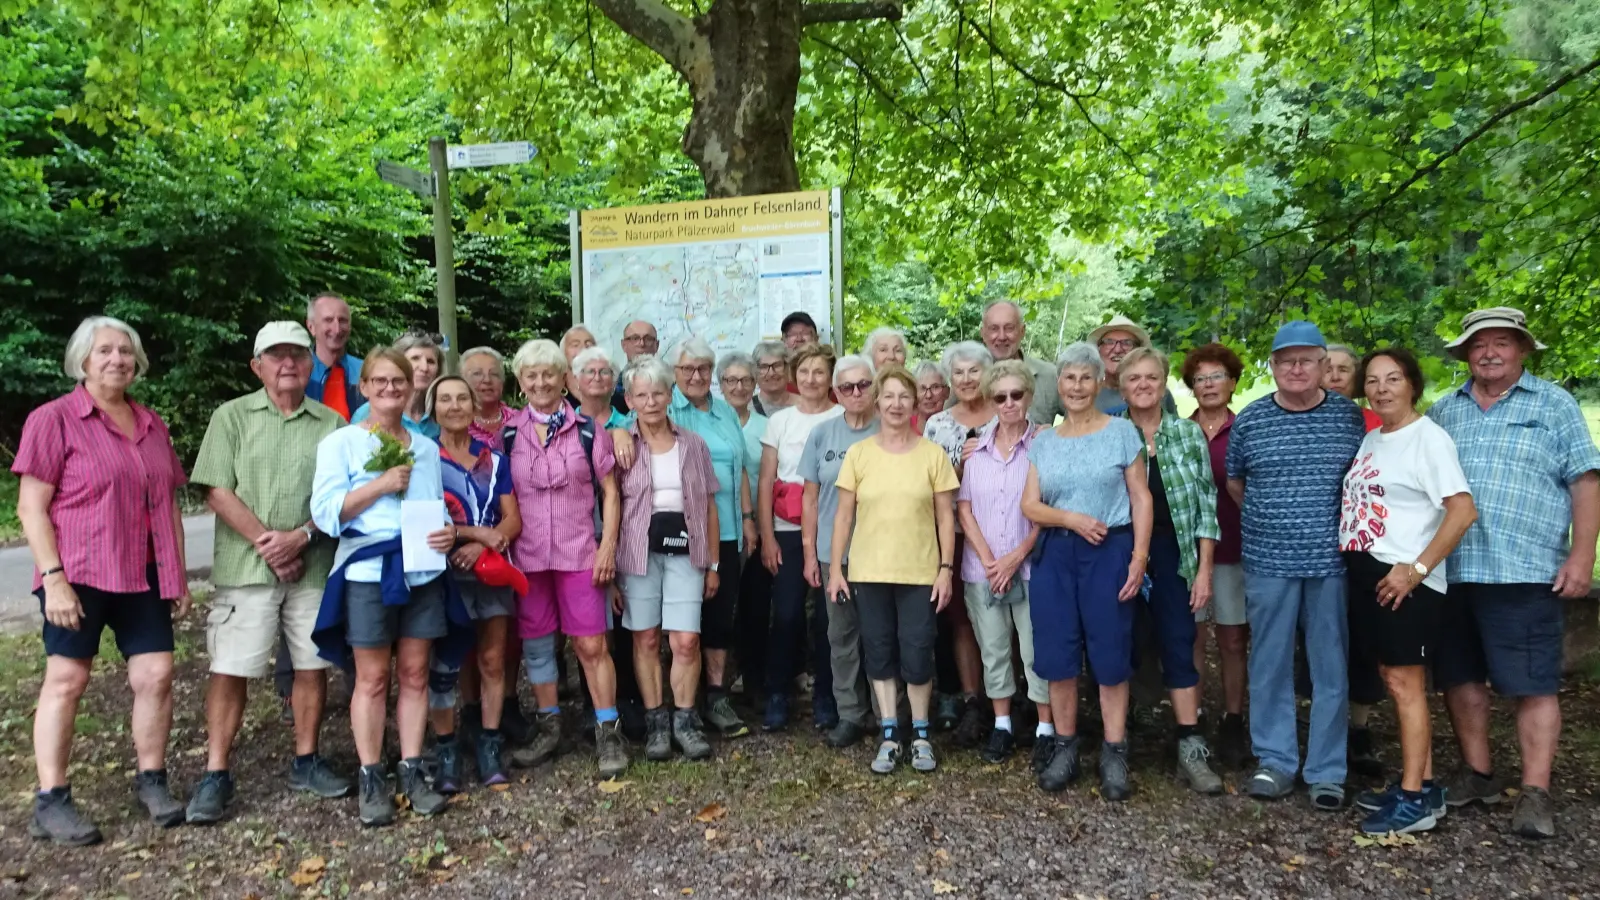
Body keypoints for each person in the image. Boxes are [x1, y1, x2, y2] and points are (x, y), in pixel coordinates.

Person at [16, 316, 192, 845]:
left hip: (143, 574)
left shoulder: (151, 423)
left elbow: (169, 506)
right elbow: (31, 507)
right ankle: (51, 799)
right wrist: (54, 580)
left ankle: (152, 781)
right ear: (83, 361)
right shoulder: (54, 420)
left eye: (126, 351)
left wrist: (176, 577)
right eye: (105, 351)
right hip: (81, 572)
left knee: (156, 675)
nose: (117, 359)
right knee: (66, 681)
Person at [1428, 306, 1600, 839]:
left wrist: (1582, 556)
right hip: (1453, 569)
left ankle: (1535, 792)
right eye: (1479, 345)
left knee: (1533, 683)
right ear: (1465, 355)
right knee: (1460, 678)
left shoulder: (1554, 404)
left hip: (1524, 568)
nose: (1489, 352)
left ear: (1522, 349)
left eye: (1501, 342)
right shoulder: (1443, 411)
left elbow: (1586, 482)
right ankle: (1478, 773)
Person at [184, 322, 347, 826]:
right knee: (232, 666)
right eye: (276, 356)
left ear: (309, 363)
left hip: (313, 561)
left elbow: (342, 493)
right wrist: (267, 543)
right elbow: (214, 487)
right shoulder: (230, 416)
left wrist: (299, 537)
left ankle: (306, 758)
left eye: (298, 355)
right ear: (257, 366)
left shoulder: (331, 423)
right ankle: (216, 772)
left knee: (311, 664)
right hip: (246, 565)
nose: (288, 364)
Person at [308, 347, 460, 827]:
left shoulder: (425, 447)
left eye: (399, 381)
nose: (391, 389)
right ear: (365, 387)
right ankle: (372, 775)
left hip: (421, 567)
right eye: (381, 382)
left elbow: (433, 505)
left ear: (410, 386)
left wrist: (449, 530)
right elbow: (326, 514)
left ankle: (412, 769)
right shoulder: (342, 443)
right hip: (368, 570)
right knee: (372, 678)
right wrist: (379, 484)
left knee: (416, 673)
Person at [1225, 321, 1365, 810]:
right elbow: (1237, 483)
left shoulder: (1348, 417)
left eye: (1307, 360)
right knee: (1269, 663)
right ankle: (1276, 760)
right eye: (1286, 361)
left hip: (1331, 564)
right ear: (1273, 366)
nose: (1297, 368)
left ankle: (1327, 769)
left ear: (1325, 366)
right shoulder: (1252, 419)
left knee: (1330, 667)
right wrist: (1276, 523)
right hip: (1267, 561)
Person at [1340, 348, 1477, 835]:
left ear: (1412, 384)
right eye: (1373, 380)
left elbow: (1462, 511)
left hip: (1407, 582)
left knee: (1405, 686)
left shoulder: (1429, 439)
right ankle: (1424, 782)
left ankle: (1414, 798)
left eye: (1392, 378)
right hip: (1370, 574)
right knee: (1394, 680)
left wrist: (1416, 569)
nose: (1381, 388)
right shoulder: (1374, 438)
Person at [1022, 342, 1151, 800]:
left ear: (1100, 383)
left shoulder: (1120, 433)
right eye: (1069, 378)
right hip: (1057, 554)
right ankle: (1065, 747)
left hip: (1109, 552)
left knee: (1110, 652)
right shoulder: (1044, 441)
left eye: (1085, 378)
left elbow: (1141, 498)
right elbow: (1030, 505)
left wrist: (1138, 558)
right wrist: (1070, 518)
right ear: (1058, 386)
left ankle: (1115, 752)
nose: (1076, 387)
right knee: (1057, 654)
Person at [501, 339, 629, 778]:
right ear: (520, 383)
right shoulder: (510, 434)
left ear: (564, 380)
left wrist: (608, 546)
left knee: (591, 644)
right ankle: (549, 725)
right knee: (538, 646)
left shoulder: (589, 430)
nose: (540, 382)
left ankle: (608, 730)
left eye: (549, 374)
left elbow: (611, 493)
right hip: (529, 555)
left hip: (580, 553)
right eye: (531, 375)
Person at [827, 365, 960, 774]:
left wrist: (945, 569)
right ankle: (889, 733)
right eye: (888, 396)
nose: (896, 404)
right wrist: (836, 569)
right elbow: (844, 516)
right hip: (869, 572)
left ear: (914, 403)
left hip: (920, 574)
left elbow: (945, 518)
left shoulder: (932, 454)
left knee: (918, 654)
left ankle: (920, 734)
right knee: (880, 653)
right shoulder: (860, 454)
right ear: (876, 402)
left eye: (905, 396)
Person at [1118, 347, 1224, 795]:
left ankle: (1189, 742)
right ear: (1121, 387)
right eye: (1134, 378)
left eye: (1151, 378)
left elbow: (1206, 507)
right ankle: (1116, 741)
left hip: (1174, 550)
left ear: (1164, 384)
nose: (1143, 385)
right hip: (1120, 551)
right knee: (1122, 640)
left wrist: (1203, 571)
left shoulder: (1187, 435)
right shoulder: (1111, 434)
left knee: (1179, 641)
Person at [614, 356, 721, 761]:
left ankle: (686, 720)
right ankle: (656, 721)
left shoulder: (693, 444)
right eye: (642, 394)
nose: (652, 401)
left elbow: (709, 504)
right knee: (643, 637)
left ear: (670, 395)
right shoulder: (620, 441)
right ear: (630, 399)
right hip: (638, 554)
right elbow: (608, 504)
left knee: (686, 640)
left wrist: (713, 562)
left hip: (687, 551)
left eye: (658, 392)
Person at [424, 376, 524, 791]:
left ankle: (488, 741)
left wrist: (491, 539)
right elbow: (421, 518)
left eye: (461, 398)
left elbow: (512, 518)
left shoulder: (493, 458)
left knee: (492, 657)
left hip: (491, 571)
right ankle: (447, 748)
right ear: (433, 408)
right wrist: (473, 535)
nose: (454, 406)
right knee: (445, 663)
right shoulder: (422, 458)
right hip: (442, 571)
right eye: (444, 399)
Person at [955, 360, 1051, 769]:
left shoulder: (1046, 446)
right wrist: (992, 561)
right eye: (1001, 396)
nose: (1009, 403)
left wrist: (1015, 557)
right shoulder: (975, 450)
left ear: (1028, 397)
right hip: (983, 571)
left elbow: (1049, 509)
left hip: (1031, 567)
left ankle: (1046, 729)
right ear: (990, 401)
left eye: (1017, 395)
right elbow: (964, 509)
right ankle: (1002, 724)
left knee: (1035, 651)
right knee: (993, 651)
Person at [757, 343, 843, 731]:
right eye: (804, 372)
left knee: (830, 617)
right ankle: (778, 691)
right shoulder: (781, 420)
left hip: (833, 527)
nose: (811, 379)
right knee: (787, 614)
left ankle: (827, 694)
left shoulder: (845, 415)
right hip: (787, 528)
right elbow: (765, 479)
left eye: (819, 372)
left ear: (831, 377)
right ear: (795, 375)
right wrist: (767, 535)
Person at [800, 355, 881, 749]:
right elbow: (811, 499)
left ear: (875, 386)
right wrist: (810, 555)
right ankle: (850, 713)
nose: (855, 393)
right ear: (836, 391)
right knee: (841, 636)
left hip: (884, 553)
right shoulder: (822, 435)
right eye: (846, 387)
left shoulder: (891, 429)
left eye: (863, 385)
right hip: (836, 555)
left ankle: (888, 715)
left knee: (883, 636)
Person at [920, 341, 995, 743]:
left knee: (1007, 618)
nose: (966, 380)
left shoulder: (1007, 412)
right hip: (957, 532)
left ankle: (1008, 699)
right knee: (963, 619)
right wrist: (961, 463)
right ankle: (971, 701)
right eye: (959, 373)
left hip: (1003, 533)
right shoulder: (938, 424)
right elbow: (933, 484)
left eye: (974, 371)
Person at [1181, 342, 1251, 769]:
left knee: (1231, 638)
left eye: (1216, 377)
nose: (1208, 385)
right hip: (1188, 552)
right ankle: (1195, 715)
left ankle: (1232, 718)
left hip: (1234, 548)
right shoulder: (1180, 431)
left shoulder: (1245, 429)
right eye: (1200, 378)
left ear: (1232, 382)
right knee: (1191, 636)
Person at [1321, 342, 1385, 777]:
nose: (1335, 375)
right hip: (1319, 547)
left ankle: (1359, 728)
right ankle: (1323, 728)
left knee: (1363, 639)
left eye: (1344, 369)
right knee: (1322, 641)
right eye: (1328, 368)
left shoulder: (1375, 424)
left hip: (1367, 548)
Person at [721, 350, 775, 693]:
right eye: (731, 380)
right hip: (721, 528)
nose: (738, 387)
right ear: (721, 385)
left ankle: (753, 678)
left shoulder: (767, 427)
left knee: (755, 605)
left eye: (745, 380)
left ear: (754, 385)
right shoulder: (711, 421)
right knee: (721, 605)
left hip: (758, 526)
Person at [978, 300, 1059, 425]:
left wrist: (1054, 434)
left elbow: (1082, 418)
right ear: (983, 333)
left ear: (1022, 331)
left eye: (1009, 328)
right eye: (994, 328)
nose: (1002, 336)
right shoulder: (967, 380)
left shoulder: (1050, 375)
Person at [352, 331, 442, 438]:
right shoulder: (366, 413)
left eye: (430, 361)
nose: (424, 368)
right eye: (415, 358)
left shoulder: (442, 412)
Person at [1088, 315, 1176, 416]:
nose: (1117, 350)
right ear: (1099, 350)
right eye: (1109, 342)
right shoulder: (1082, 392)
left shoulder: (1157, 393)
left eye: (1127, 343)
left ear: (1138, 351)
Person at [306, 292, 363, 422]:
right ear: (311, 327)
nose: (337, 329)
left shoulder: (365, 371)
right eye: (328, 320)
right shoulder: (299, 373)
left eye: (342, 320)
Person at [461, 347, 514, 449]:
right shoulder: (455, 423)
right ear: (462, 381)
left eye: (494, 374)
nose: (487, 380)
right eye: (477, 373)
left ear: (502, 381)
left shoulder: (520, 421)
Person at [1325, 344, 1382, 432]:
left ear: (1356, 376)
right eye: (1327, 371)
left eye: (1343, 370)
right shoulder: (1301, 421)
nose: (1335, 377)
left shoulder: (1379, 423)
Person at [573, 346, 630, 429]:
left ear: (614, 381)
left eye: (604, 372)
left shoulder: (629, 426)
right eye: (590, 371)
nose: (597, 378)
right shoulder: (565, 424)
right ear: (577, 380)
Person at [613, 320, 660, 414]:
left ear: (657, 345)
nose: (642, 344)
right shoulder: (613, 388)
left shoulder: (669, 385)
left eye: (648, 339)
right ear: (623, 345)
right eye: (635, 338)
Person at [751, 341, 793, 416]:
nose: (771, 373)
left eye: (777, 365)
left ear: (787, 368)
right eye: (764, 367)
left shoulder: (806, 406)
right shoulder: (745, 409)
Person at [912, 360, 951, 434]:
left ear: (947, 392)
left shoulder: (956, 427)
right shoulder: (904, 425)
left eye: (935, 387)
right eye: (922, 388)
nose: (929, 395)